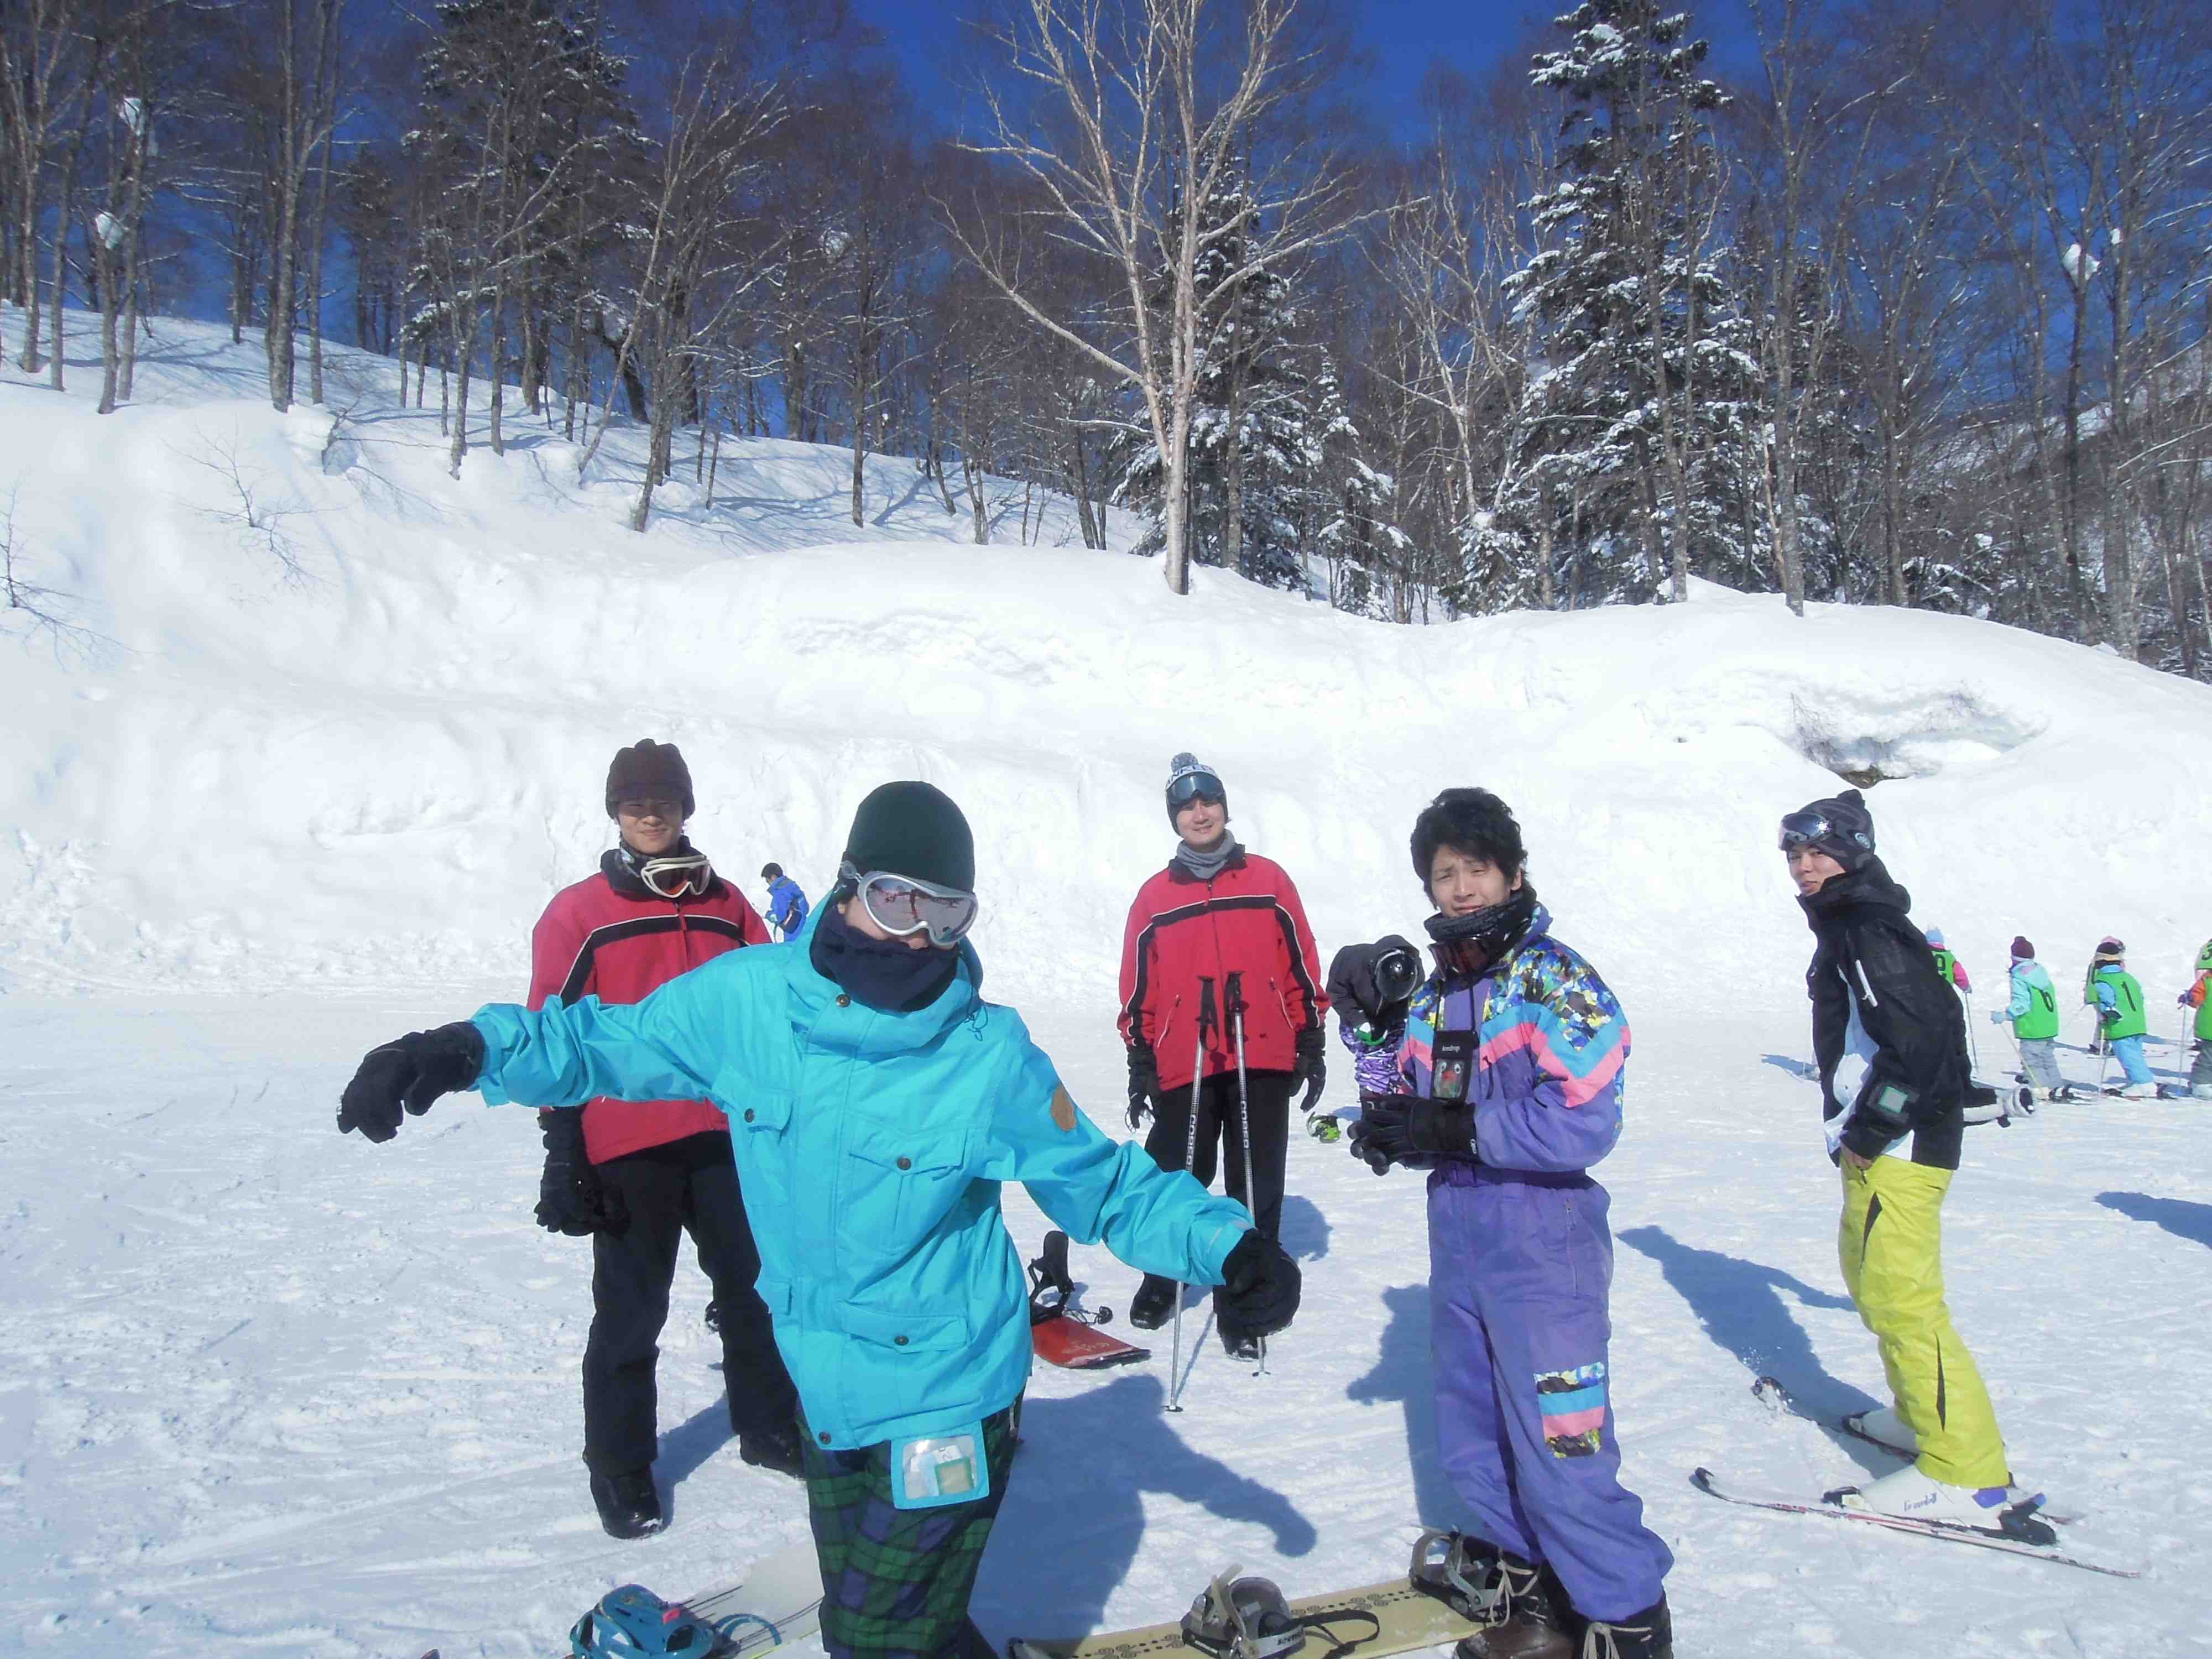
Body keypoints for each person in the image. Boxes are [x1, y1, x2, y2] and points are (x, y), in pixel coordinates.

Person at [337, 780, 1301, 1659]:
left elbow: (1105, 1185)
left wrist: (1230, 1247)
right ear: (848, 887)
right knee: (874, 1621)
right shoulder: (750, 1003)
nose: (919, 936)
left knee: (874, 1642)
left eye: (947, 912)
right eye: (897, 900)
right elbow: (599, 1040)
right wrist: (464, 1051)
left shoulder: (985, 1054)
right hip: (827, 1385)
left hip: (948, 1393)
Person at [1329, 788, 1671, 1659]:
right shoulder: (1440, 993)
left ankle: (1629, 1622)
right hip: (1461, 1240)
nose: (1462, 888)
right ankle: (1541, 1609)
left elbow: (1584, 1119)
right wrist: (1368, 1030)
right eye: (1445, 875)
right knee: (1475, 1440)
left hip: (1545, 1243)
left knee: (1564, 1450)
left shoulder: (1555, 980)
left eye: (1476, 869)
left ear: (1513, 874)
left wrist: (1459, 1129)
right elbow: (1400, 1102)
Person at [528, 739, 802, 1538]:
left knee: (755, 1293)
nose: (650, 815)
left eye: (664, 801)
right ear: (615, 813)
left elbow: (772, 1011)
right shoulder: (579, 913)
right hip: (629, 1143)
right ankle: (619, 1465)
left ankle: (767, 1425)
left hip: (725, 1136)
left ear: (686, 808)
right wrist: (563, 1147)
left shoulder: (728, 907)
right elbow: (552, 1033)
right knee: (630, 1310)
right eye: (634, 803)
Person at [1779, 788, 2038, 1532]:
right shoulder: (1852, 922)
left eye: (1819, 851)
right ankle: (1919, 1416)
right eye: (1795, 853)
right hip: (1882, 1141)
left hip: (1898, 1144)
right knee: (1872, 1282)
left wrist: (1870, 1130)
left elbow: (1922, 1042)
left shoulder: (1868, 927)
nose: (1803, 865)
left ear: (1853, 852)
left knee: (1903, 1301)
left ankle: (1966, 1472)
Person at [1116, 752, 1327, 1358]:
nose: (1199, 813)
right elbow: (1138, 984)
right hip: (1185, 1055)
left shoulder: (1268, 880)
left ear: (1225, 807)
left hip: (1261, 1049)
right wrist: (1140, 1056)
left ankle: (1247, 1300)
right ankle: (1163, 1275)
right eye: (1186, 807)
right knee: (1175, 1172)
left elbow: (1300, 961)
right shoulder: (1154, 898)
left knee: (1255, 1181)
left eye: (1207, 801)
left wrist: (1309, 1037)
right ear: (1174, 819)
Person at [1990, 936, 2063, 1098]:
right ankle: (2056, 1085)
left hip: (2032, 1027)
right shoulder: (2041, 972)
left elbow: (2022, 1005)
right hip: (2049, 1025)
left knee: (2032, 1060)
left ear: (2014, 958)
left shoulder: (2020, 977)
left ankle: (2040, 1089)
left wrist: (2004, 1015)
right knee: (2047, 1058)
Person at [2088, 937, 2154, 1098]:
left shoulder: (2104, 981)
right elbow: (2140, 997)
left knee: (2128, 1057)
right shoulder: (2129, 978)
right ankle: (2136, 1081)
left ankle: (2143, 1083)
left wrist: (2104, 1011)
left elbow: (2108, 1002)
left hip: (2120, 1025)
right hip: (2137, 1022)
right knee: (2136, 1054)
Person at [2178, 939, 2212, 1100]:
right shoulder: (2207, 981)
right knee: (2208, 1057)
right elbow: (2197, 995)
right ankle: (2200, 1084)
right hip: (2209, 1026)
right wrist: (2190, 997)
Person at [761, 862, 810, 940]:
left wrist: (766, 914)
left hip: (792, 936)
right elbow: (806, 909)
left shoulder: (780, 893)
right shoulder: (793, 887)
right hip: (805, 932)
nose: (768, 884)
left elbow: (779, 917)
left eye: (768, 881)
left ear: (773, 877)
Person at [1924, 927, 1971, 993]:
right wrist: (1966, 987)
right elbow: (1960, 975)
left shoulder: (1923, 954)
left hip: (1925, 991)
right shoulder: (1950, 958)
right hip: (1946, 993)